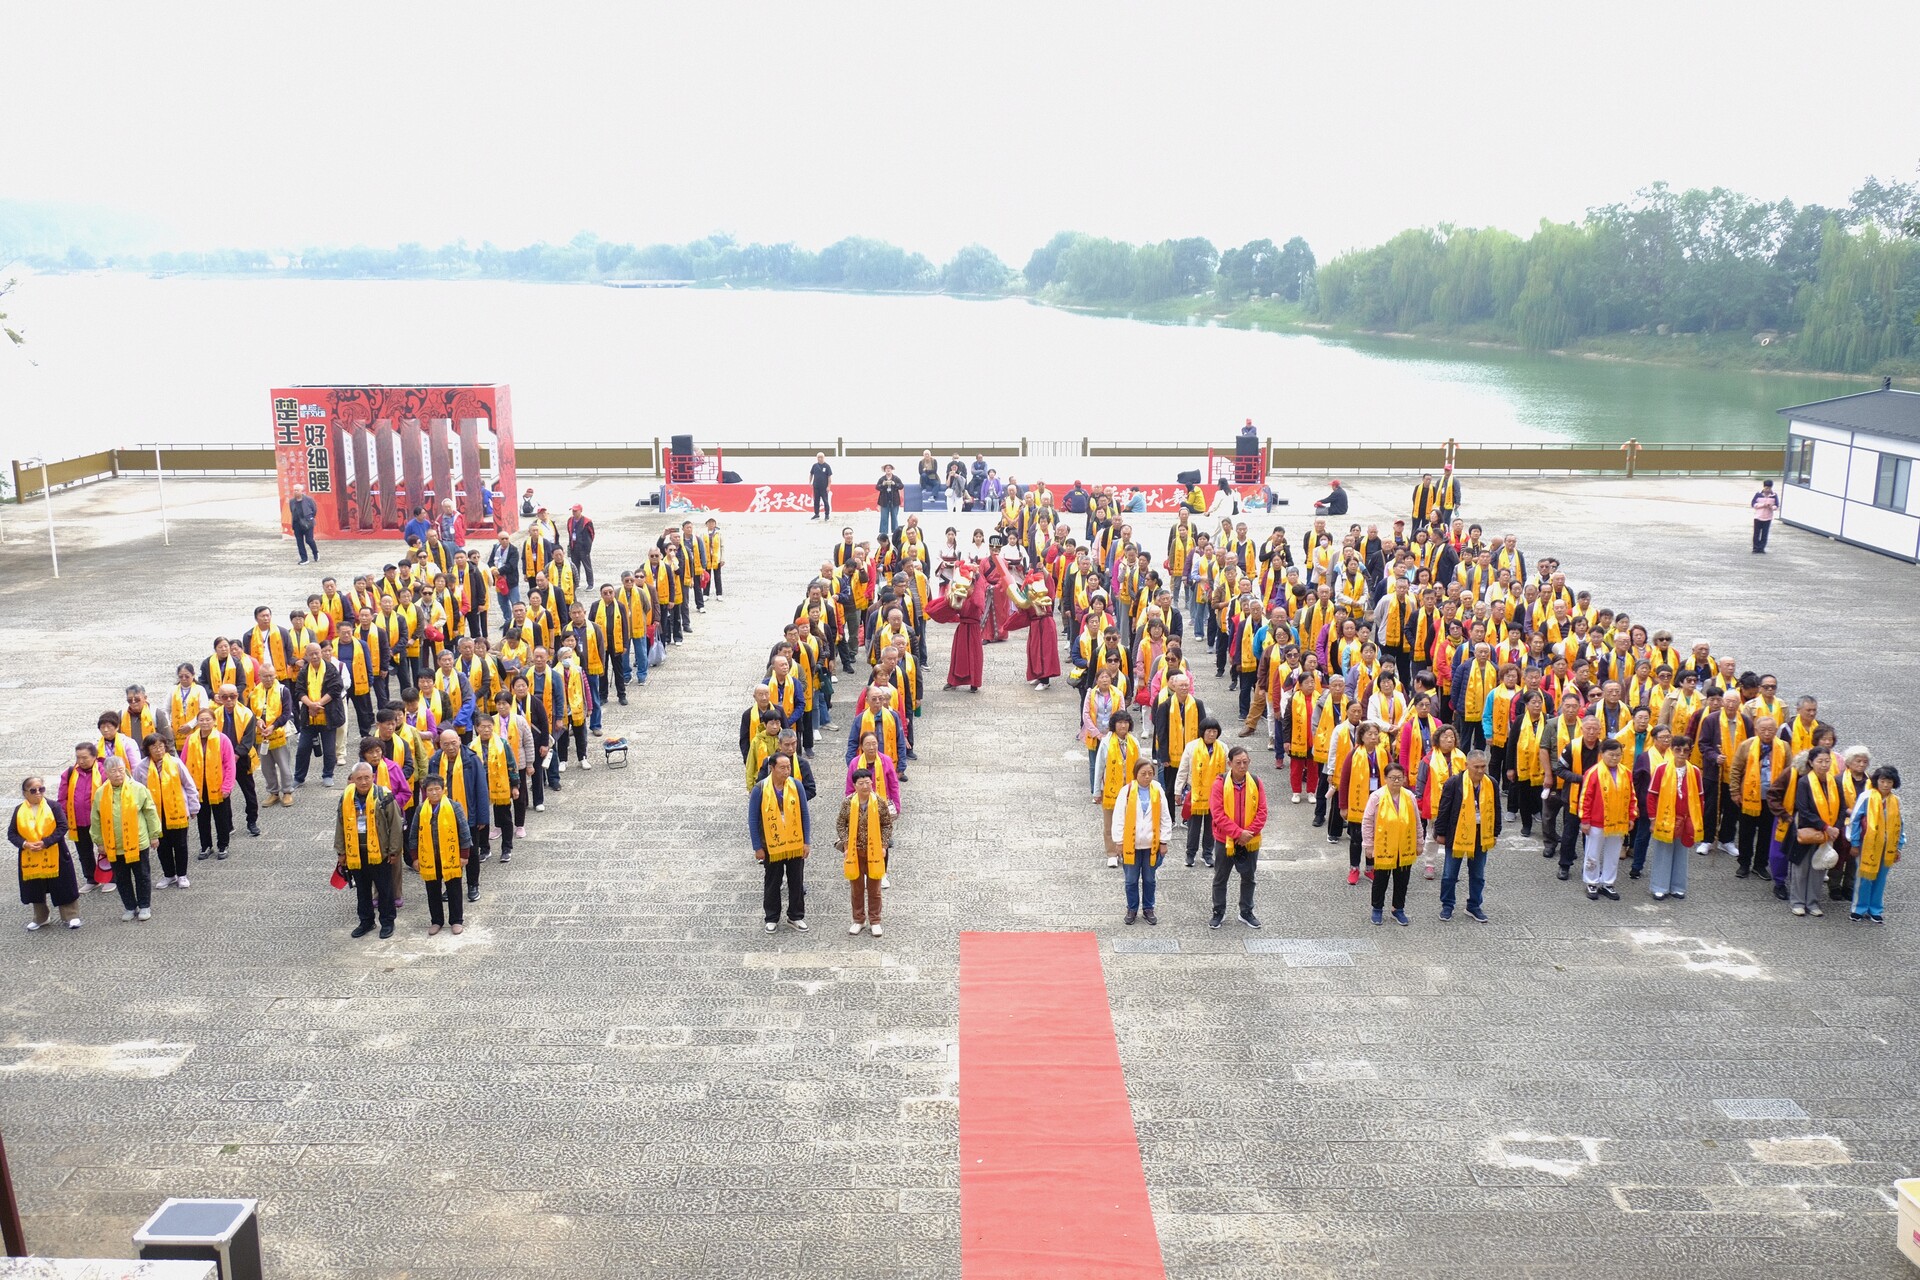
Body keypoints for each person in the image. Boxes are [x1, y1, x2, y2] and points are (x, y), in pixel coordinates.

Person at [334, 761, 403, 938]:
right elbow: (340, 825)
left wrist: (394, 851)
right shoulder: (347, 797)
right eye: (359, 778)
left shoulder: (384, 796)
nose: (364, 782)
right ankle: (366, 921)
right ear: (353, 780)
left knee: (385, 889)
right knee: (362, 889)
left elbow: (395, 825)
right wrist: (341, 852)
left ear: (373, 777)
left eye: (367, 778)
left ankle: (387, 922)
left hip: (380, 853)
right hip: (356, 852)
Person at [92, 757, 161, 922]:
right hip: (114, 844)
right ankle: (130, 907)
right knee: (122, 878)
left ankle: (144, 906)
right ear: (107, 773)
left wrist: (154, 835)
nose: (118, 774)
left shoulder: (138, 788)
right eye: (113, 771)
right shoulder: (101, 792)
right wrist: (99, 841)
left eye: (121, 770)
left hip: (138, 841)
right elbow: (95, 818)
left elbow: (150, 812)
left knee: (142, 875)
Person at [1433, 749, 1497, 923]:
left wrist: (1495, 832)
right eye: (1476, 767)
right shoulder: (1454, 783)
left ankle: (1474, 905)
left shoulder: (1491, 783)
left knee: (1478, 874)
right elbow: (1444, 809)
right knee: (1449, 874)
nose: (1480, 770)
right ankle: (1447, 905)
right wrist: (1440, 833)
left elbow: (1497, 809)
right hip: (1457, 833)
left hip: (1480, 834)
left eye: (1483, 766)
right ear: (1466, 765)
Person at [749, 751, 810, 933]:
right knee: (773, 880)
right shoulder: (760, 789)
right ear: (772, 768)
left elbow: (804, 814)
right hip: (771, 844)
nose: (786, 771)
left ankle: (796, 915)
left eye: (788, 767)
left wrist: (806, 841)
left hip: (794, 842)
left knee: (796, 880)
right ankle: (771, 916)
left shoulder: (796, 786)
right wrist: (757, 846)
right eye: (782, 767)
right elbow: (753, 819)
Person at [12, 775, 83, 930]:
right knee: (35, 888)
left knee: (63, 885)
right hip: (30, 855)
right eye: (33, 790)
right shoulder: (19, 810)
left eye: (41, 789)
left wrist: (46, 842)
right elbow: (12, 834)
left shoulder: (53, 806)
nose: (38, 792)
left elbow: (62, 827)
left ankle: (71, 916)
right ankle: (41, 917)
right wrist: (25, 844)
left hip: (55, 853)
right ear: (25, 793)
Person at [1208, 746, 1266, 928]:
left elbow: (1262, 811)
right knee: (1220, 877)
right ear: (1229, 764)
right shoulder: (1219, 784)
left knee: (1249, 877)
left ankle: (1246, 911)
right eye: (1238, 763)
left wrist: (1248, 834)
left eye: (1245, 762)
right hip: (1224, 839)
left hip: (1250, 839)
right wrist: (1237, 833)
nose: (1242, 766)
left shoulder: (1256, 782)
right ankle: (1218, 911)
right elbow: (1218, 814)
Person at [1111, 759, 1173, 926]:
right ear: (1136, 774)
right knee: (1131, 879)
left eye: (1150, 774)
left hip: (1151, 844)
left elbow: (1165, 817)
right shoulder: (1126, 791)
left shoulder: (1158, 790)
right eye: (1143, 774)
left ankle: (1148, 908)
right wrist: (1119, 841)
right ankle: (1132, 908)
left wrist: (1164, 840)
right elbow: (1118, 818)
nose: (1147, 777)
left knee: (1149, 879)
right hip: (1132, 844)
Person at [408, 774, 471, 935]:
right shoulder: (421, 809)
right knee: (432, 890)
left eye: (437, 789)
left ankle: (456, 920)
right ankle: (436, 920)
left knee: (454, 889)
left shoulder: (454, 807)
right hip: (429, 857)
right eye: (430, 790)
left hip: (450, 856)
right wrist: (415, 857)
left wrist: (464, 855)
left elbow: (464, 831)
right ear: (425, 792)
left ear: (444, 790)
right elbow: (413, 834)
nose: (434, 793)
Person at [836, 767, 893, 937]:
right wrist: (846, 844)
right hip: (855, 851)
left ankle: (875, 920)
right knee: (857, 888)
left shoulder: (880, 802)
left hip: (874, 851)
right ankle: (858, 919)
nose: (865, 786)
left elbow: (887, 825)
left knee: (875, 889)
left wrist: (883, 845)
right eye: (861, 783)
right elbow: (840, 823)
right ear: (854, 785)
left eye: (868, 783)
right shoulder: (848, 802)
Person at [1644, 736, 1701, 902]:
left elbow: (1700, 797)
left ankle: (1678, 886)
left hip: (1686, 817)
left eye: (1686, 750)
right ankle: (1659, 886)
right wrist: (1653, 819)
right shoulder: (1662, 769)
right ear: (1672, 750)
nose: (1682, 754)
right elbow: (1652, 795)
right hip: (1666, 817)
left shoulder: (1695, 771)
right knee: (1663, 851)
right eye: (1678, 750)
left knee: (1682, 851)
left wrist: (1696, 819)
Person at [1788, 745, 1842, 917]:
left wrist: (1836, 827)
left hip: (1829, 833)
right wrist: (1826, 826)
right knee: (1802, 868)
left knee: (1819, 868)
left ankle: (1812, 902)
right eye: (1820, 761)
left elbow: (1842, 807)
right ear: (1811, 762)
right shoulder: (1804, 782)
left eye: (1827, 761)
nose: (1824, 765)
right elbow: (1804, 810)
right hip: (1808, 829)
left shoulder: (1834, 781)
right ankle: (1797, 902)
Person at [1579, 738, 1635, 902]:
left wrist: (1631, 816)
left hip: (1618, 821)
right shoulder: (1593, 772)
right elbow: (1586, 798)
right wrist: (1585, 820)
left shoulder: (1626, 772)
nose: (1615, 758)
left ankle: (1608, 883)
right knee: (1593, 853)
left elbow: (1632, 796)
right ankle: (1591, 882)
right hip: (1596, 821)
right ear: (1602, 754)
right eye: (1611, 755)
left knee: (1613, 855)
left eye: (1618, 755)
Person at [1363, 763, 1419, 926]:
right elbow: (1367, 821)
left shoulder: (1409, 796)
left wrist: (1419, 842)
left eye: (1399, 778)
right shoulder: (1377, 797)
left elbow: (1416, 822)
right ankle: (1377, 908)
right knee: (1381, 879)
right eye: (1392, 778)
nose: (1396, 781)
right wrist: (1368, 845)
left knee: (1402, 879)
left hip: (1404, 846)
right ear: (1385, 779)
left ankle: (1398, 909)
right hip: (1384, 845)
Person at [179, 709, 236, 861]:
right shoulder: (190, 739)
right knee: (202, 818)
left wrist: (227, 786)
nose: (204, 723)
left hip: (217, 785)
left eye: (208, 720)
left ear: (214, 721)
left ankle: (223, 845)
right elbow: (183, 763)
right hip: (198, 786)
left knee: (221, 817)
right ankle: (206, 845)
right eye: (201, 720)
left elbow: (229, 764)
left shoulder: (223, 739)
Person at [1848, 764, 1901, 923]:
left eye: (1889, 782)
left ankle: (1875, 909)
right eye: (1883, 781)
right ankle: (1859, 908)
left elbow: (1900, 823)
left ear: (1894, 784)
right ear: (1876, 781)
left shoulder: (1895, 801)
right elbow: (1855, 820)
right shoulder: (1866, 797)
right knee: (1864, 876)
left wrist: (1899, 846)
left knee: (1881, 878)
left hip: (1887, 846)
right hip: (1868, 844)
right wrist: (1854, 842)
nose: (1885, 785)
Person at [1174, 718, 1228, 868]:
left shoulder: (1223, 748)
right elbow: (1183, 770)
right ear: (1202, 732)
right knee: (1193, 827)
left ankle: (1207, 854)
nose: (1211, 734)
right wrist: (1178, 791)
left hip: (1216, 794)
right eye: (1209, 731)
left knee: (1212, 826)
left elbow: (1228, 772)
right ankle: (1190, 854)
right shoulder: (1191, 747)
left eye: (1214, 731)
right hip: (1196, 793)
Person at [292, 642, 345, 788]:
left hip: (328, 715)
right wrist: (310, 705)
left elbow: (335, 689)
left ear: (321, 653)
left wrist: (318, 704)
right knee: (302, 748)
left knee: (329, 750)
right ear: (307, 656)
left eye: (317, 653)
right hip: (309, 716)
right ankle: (299, 777)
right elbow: (299, 691)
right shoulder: (304, 671)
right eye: (311, 654)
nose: (315, 656)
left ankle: (328, 775)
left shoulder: (330, 668)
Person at [567, 504, 596, 588]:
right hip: (574, 547)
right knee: (575, 567)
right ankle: (576, 583)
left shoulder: (587, 521)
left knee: (587, 566)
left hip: (584, 548)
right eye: (573, 511)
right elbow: (569, 532)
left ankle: (590, 584)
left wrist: (587, 548)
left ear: (580, 511)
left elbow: (591, 535)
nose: (574, 512)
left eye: (575, 511)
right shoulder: (570, 520)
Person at [288, 484, 319, 564]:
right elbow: (292, 511)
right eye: (294, 490)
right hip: (296, 524)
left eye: (297, 490)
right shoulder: (292, 501)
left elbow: (314, 510)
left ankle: (315, 552)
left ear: (302, 491)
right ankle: (304, 559)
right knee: (299, 542)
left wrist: (310, 518)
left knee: (309, 540)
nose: (295, 492)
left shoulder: (308, 500)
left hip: (307, 523)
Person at [875, 465, 905, 539]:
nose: (888, 470)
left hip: (894, 501)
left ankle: (895, 532)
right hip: (884, 501)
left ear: (892, 470)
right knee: (884, 517)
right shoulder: (882, 479)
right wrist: (883, 484)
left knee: (894, 517)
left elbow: (901, 486)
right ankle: (883, 533)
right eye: (886, 468)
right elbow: (877, 487)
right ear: (884, 470)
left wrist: (895, 484)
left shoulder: (896, 478)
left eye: (889, 468)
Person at [1750, 479, 1778, 553]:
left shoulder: (1774, 495)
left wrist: (1771, 507)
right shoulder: (1758, 494)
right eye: (1766, 488)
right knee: (1756, 533)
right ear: (1764, 487)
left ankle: (1761, 548)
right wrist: (1762, 505)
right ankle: (1755, 548)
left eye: (1769, 488)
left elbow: (1776, 506)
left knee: (1764, 534)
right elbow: (1753, 504)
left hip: (1768, 517)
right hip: (1758, 517)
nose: (1767, 490)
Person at [809, 453, 834, 520]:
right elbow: (811, 474)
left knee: (825, 501)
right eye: (818, 457)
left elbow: (829, 478)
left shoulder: (827, 466)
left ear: (824, 457)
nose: (820, 458)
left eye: (821, 457)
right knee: (816, 501)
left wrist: (828, 486)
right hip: (816, 487)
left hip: (824, 488)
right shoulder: (814, 466)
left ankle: (827, 514)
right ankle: (816, 514)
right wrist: (810, 482)